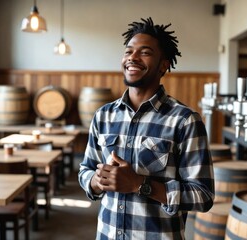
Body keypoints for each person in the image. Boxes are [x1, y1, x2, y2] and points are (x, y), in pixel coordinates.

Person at [78, 17, 214, 240]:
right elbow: (86, 169)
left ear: (164, 64)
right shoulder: (103, 115)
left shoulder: (185, 120)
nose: (132, 57)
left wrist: (139, 184)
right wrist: (97, 180)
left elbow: (203, 195)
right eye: (129, 51)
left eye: (145, 52)